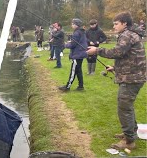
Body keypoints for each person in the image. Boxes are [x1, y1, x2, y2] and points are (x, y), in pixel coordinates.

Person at [87, 12, 146, 150]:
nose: (114, 26)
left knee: (124, 108)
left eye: (116, 23)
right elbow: (129, 57)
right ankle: (131, 132)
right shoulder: (131, 34)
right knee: (127, 107)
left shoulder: (127, 35)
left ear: (124, 23)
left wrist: (97, 50)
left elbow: (117, 52)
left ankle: (129, 141)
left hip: (132, 79)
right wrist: (115, 67)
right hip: (133, 75)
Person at [59, 18, 87, 91]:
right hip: (81, 53)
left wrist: (66, 45)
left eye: (72, 24)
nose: (71, 25)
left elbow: (73, 44)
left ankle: (67, 87)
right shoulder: (82, 32)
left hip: (77, 54)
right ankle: (81, 86)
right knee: (78, 70)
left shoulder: (77, 33)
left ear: (76, 25)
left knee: (73, 71)